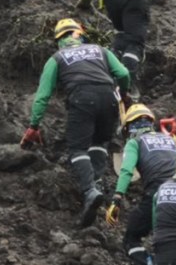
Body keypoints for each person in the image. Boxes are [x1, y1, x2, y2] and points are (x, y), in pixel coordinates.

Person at [20, 18, 131, 227]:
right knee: (99, 142)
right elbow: (123, 73)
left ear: (59, 40)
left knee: (78, 148)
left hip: (81, 97)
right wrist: (123, 93)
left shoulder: (57, 57)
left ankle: (90, 191)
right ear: (80, 34)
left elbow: (43, 96)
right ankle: (96, 182)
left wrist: (33, 126)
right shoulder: (100, 50)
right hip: (108, 97)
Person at [106, 104, 176, 265]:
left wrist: (116, 199)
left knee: (131, 238)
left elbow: (126, 171)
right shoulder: (171, 140)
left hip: (158, 195)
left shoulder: (135, 143)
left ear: (128, 128)